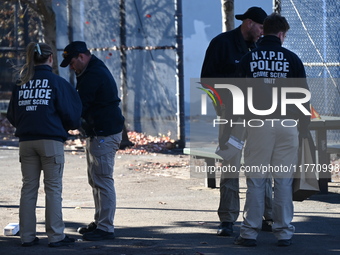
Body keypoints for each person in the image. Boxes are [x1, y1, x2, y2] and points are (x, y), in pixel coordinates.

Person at [234, 13, 310, 247]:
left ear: (264, 31)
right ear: (280, 34)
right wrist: (303, 129)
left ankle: (249, 232)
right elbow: (303, 99)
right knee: (284, 181)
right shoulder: (292, 59)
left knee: (257, 180)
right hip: (288, 125)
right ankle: (284, 232)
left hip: (259, 124)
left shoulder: (249, 58)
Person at [200, 6, 273, 236]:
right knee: (230, 165)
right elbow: (207, 81)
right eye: (261, 27)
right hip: (231, 116)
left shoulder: (262, 47)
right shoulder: (221, 43)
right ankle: (228, 220)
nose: (263, 32)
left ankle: (266, 216)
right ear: (249, 23)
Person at [6, 42, 82, 247]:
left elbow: (12, 115)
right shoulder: (57, 83)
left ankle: (27, 236)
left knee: (28, 189)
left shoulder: (21, 83)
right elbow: (72, 115)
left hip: (26, 142)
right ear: (51, 58)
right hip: (50, 141)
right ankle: (56, 236)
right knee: (53, 189)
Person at [60, 41, 125, 241]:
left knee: (103, 180)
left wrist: (64, 123)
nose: (71, 67)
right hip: (98, 132)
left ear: (81, 56)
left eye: (71, 62)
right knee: (96, 179)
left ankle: (105, 228)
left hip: (104, 133)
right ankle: (99, 222)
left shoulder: (93, 74)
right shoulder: (92, 69)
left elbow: (81, 106)